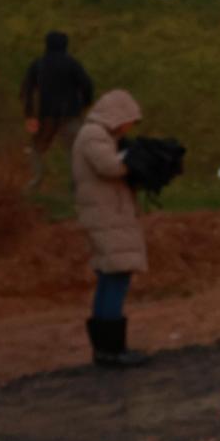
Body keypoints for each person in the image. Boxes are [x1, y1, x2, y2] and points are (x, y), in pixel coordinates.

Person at [72, 89, 149, 368]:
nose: (129, 127)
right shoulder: (94, 136)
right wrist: (134, 159)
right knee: (115, 279)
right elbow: (110, 167)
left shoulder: (97, 135)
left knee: (110, 278)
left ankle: (107, 349)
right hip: (107, 218)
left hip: (106, 216)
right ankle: (112, 350)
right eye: (129, 120)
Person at [20, 31, 94, 191]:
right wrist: (85, 104)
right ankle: (76, 185)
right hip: (71, 114)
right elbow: (87, 85)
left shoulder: (38, 64)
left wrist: (29, 114)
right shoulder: (72, 63)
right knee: (75, 149)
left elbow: (27, 89)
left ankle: (36, 180)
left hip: (46, 115)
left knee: (36, 148)